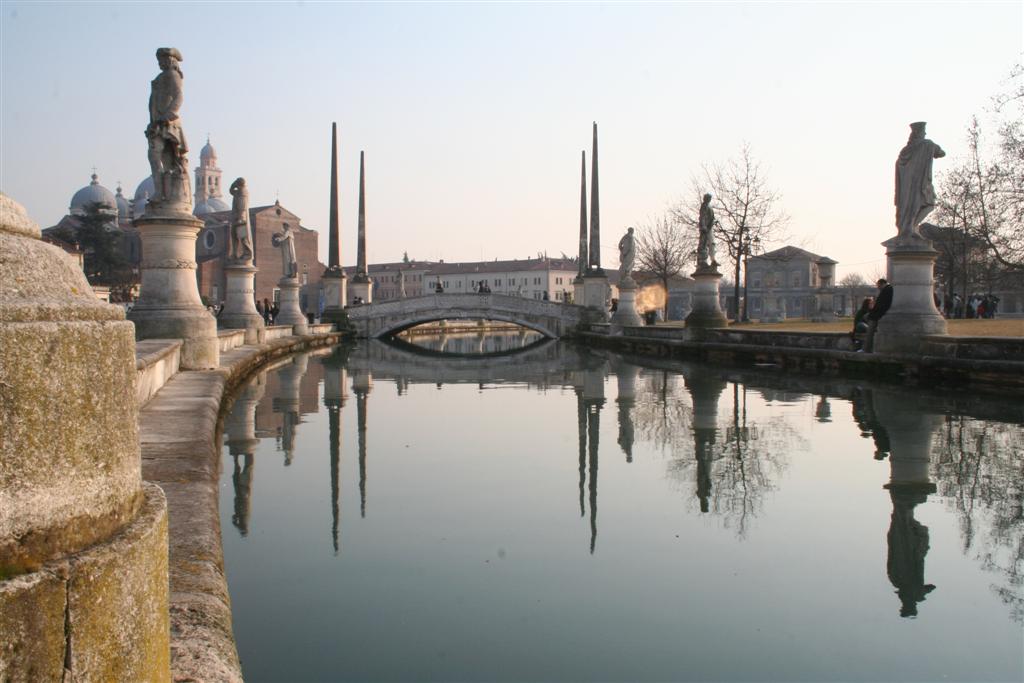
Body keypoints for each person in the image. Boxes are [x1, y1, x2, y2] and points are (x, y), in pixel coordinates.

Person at [146, 48, 190, 205]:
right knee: (161, 156)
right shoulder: (161, 76)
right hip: (157, 123)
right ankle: (163, 193)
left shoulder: (172, 75)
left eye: (163, 60)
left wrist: (168, 115)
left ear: (171, 61)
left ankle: (162, 193)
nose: (160, 63)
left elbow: (179, 96)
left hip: (167, 123)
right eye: (159, 60)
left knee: (157, 155)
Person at [894, 122, 945, 240]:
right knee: (929, 204)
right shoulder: (927, 144)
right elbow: (941, 153)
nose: (925, 133)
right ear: (920, 133)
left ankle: (909, 227)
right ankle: (912, 226)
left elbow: (899, 166)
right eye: (924, 131)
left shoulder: (904, 151)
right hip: (921, 184)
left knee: (913, 206)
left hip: (906, 189)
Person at [863, 279, 893, 353]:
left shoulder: (887, 290)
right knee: (868, 325)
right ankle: (867, 348)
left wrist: (872, 312)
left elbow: (881, 305)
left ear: (882, 284)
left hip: (877, 315)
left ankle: (867, 349)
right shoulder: (888, 289)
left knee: (870, 332)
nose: (878, 287)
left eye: (878, 285)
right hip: (877, 314)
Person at [228, 177, 254, 262]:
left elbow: (242, 206)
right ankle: (235, 253)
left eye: (236, 184)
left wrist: (241, 218)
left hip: (241, 220)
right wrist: (233, 185)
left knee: (243, 236)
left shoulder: (243, 192)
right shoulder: (238, 192)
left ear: (239, 184)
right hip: (236, 218)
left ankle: (247, 253)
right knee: (234, 236)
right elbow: (231, 191)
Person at [697, 193, 718, 269]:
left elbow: (710, 217)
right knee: (705, 243)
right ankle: (704, 260)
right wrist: (704, 226)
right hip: (706, 228)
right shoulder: (704, 206)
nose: (709, 199)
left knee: (711, 243)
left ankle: (712, 260)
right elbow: (702, 217)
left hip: (709, 227)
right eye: (708, 198)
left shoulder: (708, 206)